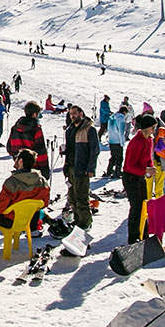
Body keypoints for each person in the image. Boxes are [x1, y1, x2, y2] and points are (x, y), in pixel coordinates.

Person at [0, 148, 51, 239]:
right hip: (29, 220)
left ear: (21, 161)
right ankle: (33, 230)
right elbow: (44, 203)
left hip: (11, 220)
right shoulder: (41, 181)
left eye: (16, 158)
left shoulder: (12, 183)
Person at [63, 105, 98, 252]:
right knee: (72, 196)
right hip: (71, 166)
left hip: (82, 168)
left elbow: (94, 150)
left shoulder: (89, 129)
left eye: (75, 113)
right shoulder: (70, 129)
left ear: (81, 113)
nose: (73, 116)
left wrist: (91, 168)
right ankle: (77, 220)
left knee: (82, 196)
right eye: (71, 114)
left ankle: (85, 222)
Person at [7, 102, 51, 184]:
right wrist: (45, 170)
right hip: (34, 170)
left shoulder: (15, 128)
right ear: (34, 114)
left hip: (20, 168)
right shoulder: (35, 129)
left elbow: (9, 148)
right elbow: (40, 151)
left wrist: (17, 159)